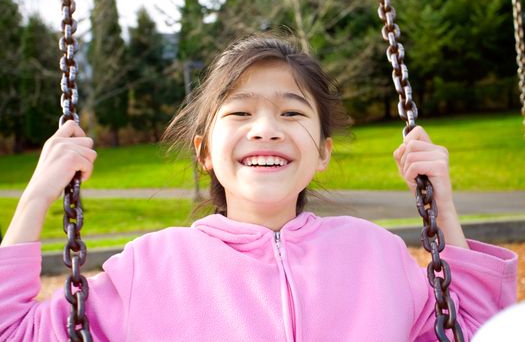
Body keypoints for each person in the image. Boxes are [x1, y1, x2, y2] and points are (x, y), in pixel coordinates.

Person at [0, 34, 517, 341]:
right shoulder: (150, 267)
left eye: (292, 112)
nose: (266, 128)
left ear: (322, 153)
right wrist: (37, 196)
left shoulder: (376, 255)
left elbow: (478, 332)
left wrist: (442, 206)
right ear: (204, 151)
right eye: (240, 112)